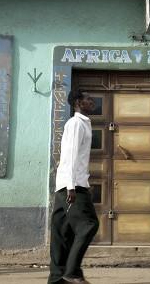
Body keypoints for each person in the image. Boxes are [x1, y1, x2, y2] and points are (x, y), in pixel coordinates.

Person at [48, 89, 99, 284]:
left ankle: (56, 279)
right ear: (78, 102)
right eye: (88, 98)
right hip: (71, 187)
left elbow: (78, 159)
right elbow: (70, 155)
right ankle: (72, 272)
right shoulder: (76, 124)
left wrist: (83, 181)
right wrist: (72, 186)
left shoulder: (83, 123)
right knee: (89, 224)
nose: (92, 101)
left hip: (69, 184)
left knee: (62, 233)